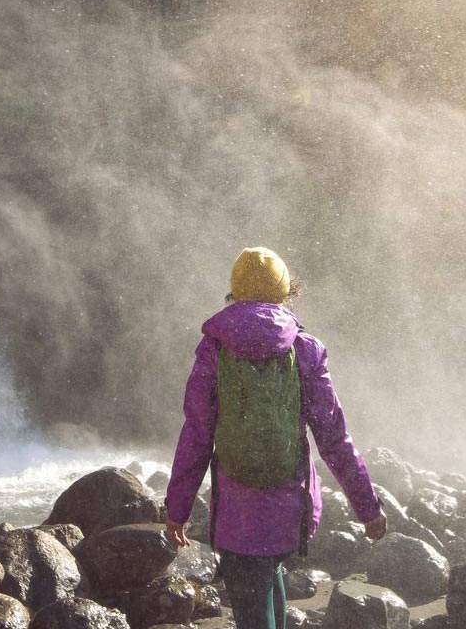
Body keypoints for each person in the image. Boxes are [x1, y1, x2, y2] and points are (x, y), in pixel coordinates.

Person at [163, 247, 389, 629]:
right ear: (285, 292)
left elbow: (197, 434)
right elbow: (334, 436)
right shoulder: (305, 350)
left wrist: (177, 509)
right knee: (271, 576)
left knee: (253, 602)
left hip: (238, 512)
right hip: (290, 506)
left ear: (235, 290)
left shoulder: (214, 349)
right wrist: (367, 506)